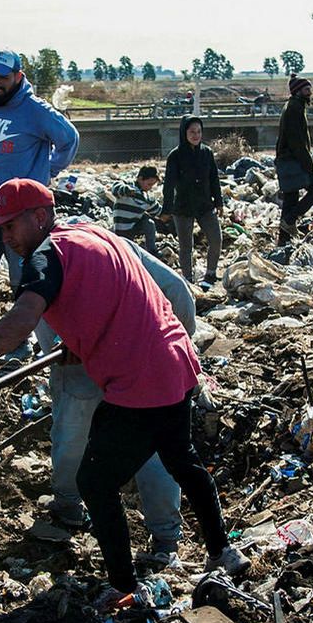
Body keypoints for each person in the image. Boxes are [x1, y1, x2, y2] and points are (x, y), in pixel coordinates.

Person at [0, 179, 247, 608]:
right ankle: (223, 552)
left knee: (95, 483)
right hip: (176, 364)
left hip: (139, 382)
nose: (5, 236)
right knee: (184, 463)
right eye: (0, 228)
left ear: (40, 217)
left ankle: (124, 587)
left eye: (11, 226)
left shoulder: (46, 257)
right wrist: (79, 348)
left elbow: (21, 320)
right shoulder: (94, 235)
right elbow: (119, 300)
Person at [46, 237, 196, 568]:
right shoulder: (114, 246)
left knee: (74, 426)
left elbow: (178, 294)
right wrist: (177, 347)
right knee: (151, 447)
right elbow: (180, 293)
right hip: (125, 359)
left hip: (120, 359)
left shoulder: (45, 260)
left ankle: (69, 504)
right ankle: (165, 540)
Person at [0, 51, 79, 353]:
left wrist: (49, 170)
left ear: (18, 77)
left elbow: (69, 139)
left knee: (24, 275)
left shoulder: (35, 110)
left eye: (4, 77)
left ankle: (22, 343)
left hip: (22, 212)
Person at [164, 115, 223, 285]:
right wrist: (166, 210)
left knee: (215, 239)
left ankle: (210, 274)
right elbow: (168, 185)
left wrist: (219, 202)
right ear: (184, 133)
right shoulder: (175, 156)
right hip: (183, 207)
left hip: (205, 204)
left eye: (198, 131)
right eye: (192, 132)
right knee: (186, 247)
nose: (196, 135)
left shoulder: (207, 153)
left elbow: (214, 179)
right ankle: (188, 279)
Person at [275, 76, 313, 250]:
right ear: (298, 91)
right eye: (307, 90)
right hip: (292, 160)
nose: (310, 93)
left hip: (287, 159)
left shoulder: (294, 106)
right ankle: (289, 221)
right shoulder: (294, 108)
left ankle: (283, 241)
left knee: (291, 199)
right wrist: (308, 165)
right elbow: (297, 142)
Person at [111, 165, 163, 256]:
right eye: (149, 184)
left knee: (149, 222)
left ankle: (152, 250)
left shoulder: (147, 198)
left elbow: (158, 211)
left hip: (133, 227)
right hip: (121, 228)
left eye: (152, 185)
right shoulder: (128, 185)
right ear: (140, 178)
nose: (150, 187)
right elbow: (115, 188)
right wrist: (126, 190)